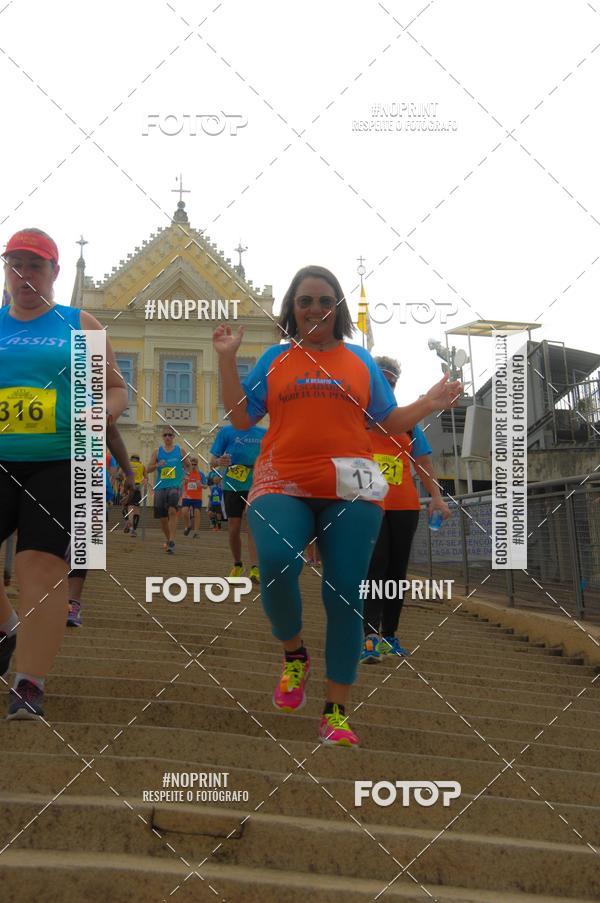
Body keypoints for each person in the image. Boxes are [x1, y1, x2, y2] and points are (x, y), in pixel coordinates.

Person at [213, 264, 462, 747]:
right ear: (292, 308)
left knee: (346, 592)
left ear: (337, 309)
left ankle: (336, 710)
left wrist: (429, 402)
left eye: (324, 300)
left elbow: (389, 422)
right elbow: (242, 418)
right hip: (281, 480)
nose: (314, 309)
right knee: (279, 562)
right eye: (304, 300)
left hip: (353, 487)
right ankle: (294, 654)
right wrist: (227, 360)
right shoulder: (275, 358)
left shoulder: (359, 361)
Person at [0, 228, 128, 718]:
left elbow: (116, 390)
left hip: (61, 459)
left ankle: (28, 682)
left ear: (54, 273)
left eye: (35, 266)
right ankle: (11, 627)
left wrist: (103, 414)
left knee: (41, 565)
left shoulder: (78, 323)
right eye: (15, 264)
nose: (24, 274)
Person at [361, 356, 450, 664]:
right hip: (368, 504)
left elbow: (423, 463)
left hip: (403, 505)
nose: (388, 387)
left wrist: (436, 498)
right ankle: (369, 636)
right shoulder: (357, 416)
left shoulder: (408, 422)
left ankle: (390, 636)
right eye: (383, 381)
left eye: (393, 383)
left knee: (397, 573)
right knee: (377, 565)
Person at [67, 422, 135, 628]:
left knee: (82, 539)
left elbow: (112, 434)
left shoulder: (91, 404)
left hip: (92, 484)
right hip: (55, 473)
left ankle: (72, 602)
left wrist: (126, 475)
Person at [210, 423, 265, 582]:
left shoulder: (263, 433)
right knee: (234, 527)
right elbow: (212, 461)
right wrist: (220, 461)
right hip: (232, 484)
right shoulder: (227, 431)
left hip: (256, 484)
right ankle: (238, 564)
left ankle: (255, 568)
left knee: (252, 525)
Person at [146, 428, 188, 554]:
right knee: (163, 518)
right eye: (165, 435)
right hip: (160, 487)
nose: (168, 437)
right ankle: (168, 539)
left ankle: (172, 540)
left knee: (172, 511)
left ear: (173, 436)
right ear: (162, 437)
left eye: (170, 435)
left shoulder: (180, 450)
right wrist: (157, 465)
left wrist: (186, 475)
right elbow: (148, 469)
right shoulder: (157, 452)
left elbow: (188, 464)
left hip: (175, 486)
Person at [182, 457, 206, 537]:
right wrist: (184, 481)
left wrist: (201, 485)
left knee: (197, 513)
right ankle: (188, 525)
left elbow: (206, 486)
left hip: (197, 497)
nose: (193, 466)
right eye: (192, 464)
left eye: (195, 464)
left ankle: (196, 532)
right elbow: (180, 483)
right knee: (184, 511)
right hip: (187, 496)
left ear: (197, 465)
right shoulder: (185, 473)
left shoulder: (201, 474)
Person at [123, 453, 146, 537]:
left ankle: (130, 526)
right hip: (137, 489)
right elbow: (146, 478)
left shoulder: (127, 465)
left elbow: (120, 475)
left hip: (129, 488)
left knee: (128, 508)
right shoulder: (142, 466)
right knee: (136, 509)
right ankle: (133, 528)